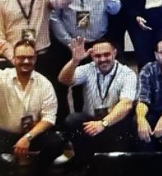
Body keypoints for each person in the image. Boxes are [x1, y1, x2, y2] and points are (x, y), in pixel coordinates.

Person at [0, 41, 65, 174]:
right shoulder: (0, 77)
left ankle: (35, 172)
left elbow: (49, 118)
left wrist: (27, 137)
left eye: (30, 57)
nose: (25, 61)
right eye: (21, 57)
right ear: (14, 59)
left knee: (57, 143)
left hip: (33, 134)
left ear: (35, 59)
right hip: (4, 134)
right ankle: (8, 173)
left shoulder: (45, 84)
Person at [58, 39, 137, 168]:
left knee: (115, 166)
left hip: (114, 123)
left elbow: (126, 104)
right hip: (92, 123)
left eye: (106, 54)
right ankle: (83, 162)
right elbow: (64, 80)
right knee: (73, 120)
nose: (102, 59)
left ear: (114, 53)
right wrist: (75, 61)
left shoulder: (127, 73)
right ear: (92, 56)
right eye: (98, 56)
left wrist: (103, 123)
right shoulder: (88, 68)